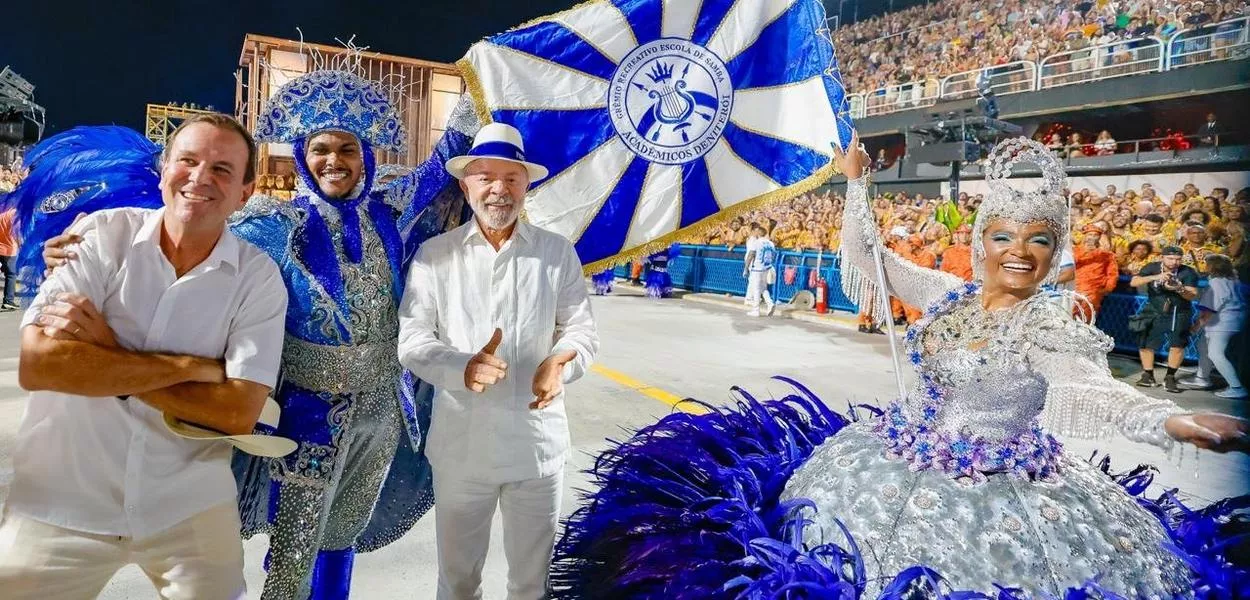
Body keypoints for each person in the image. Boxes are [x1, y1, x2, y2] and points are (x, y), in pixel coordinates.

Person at [549, 136, 1249, 597]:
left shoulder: (1047, 324)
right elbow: (874, 262)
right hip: (892, 462)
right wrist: (858, 186)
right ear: (979, 242)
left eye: (1039, 241)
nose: (1020, 252)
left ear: (1054, 252)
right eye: (1003, 235)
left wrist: (1170, 417)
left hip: (1001, 493)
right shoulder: (949, 295)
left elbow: (1087, 388)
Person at [27, 67, 477, 599]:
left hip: (382, 409)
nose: (334, 161)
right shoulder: (272, 223)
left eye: (348, 149)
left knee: (343, 534)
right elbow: (190, 218)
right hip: (309, 413)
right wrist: (81, 238)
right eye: (320, 150)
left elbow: (445, 160)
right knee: (295, 550)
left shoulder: (391, 212)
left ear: (367, 156)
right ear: (302, 158)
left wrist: (481, 79)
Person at [0, 116, 289, 599]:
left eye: (221, 169)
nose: (200, 178)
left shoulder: (256, 279)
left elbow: (237, 412)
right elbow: (41, 364)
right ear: (163, 170)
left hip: (187, 501)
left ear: (246, 192)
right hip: (63, 497)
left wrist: (106, 353)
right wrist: (190, 368)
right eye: (188, 161)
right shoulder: (99, 237)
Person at [398, 122, 599, 600]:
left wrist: (561, 363)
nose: (498, 190)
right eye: (486, 177)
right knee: (458, 581)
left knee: (531, 582)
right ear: (466, 185)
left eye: (511, 178)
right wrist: (460, 366)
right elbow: (412, 339)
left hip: (537, 448)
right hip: (461, 450)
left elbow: (581, 330)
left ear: (526, 186)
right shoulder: (435, 257)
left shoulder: (556, 254)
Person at [1130, 245, 1201, 392]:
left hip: (1178, 310)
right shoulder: (1152, 267)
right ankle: (1148, 375)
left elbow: (1192, 294)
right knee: (1145, 341)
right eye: (1170, 258)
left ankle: (1170, 377)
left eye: (1177, 259)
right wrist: (1156, 277)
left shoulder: (1187, 272)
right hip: (1154, 307)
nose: (1174, 262)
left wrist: (1179, 288)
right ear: (1162, 257)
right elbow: (1134, 282)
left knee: (1177, 344)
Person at [1181, 253, 1247, 398]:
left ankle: (1236, 387)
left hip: (1223, 323)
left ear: (1213, 266)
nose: (1204, 266)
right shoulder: (1232, 280)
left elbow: (1210, 309)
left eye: (1206, 263)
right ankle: (1202, 378)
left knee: (1215, 353)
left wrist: (1196, 326)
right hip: (1231, 320)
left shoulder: (1217, 283)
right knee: (1203, 346)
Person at [1073, 224, 1119, 318]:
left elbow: (1112, 273)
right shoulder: (1075, 250)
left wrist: (1107, 288)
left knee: (1087, 316)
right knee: (1069, 313)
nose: (1092, 237)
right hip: (1073, 286)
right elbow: (1070, 264)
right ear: (1085, 236)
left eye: (1095, 235)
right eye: (1090, 235)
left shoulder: (1107, 255)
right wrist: (1085, 252)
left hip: (1093, 289)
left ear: (1099, 237)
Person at [743, 222, 777, 317]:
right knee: (763, 287)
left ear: (759, 233)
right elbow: (773, 255)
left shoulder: (756, 242)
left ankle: (756, 310)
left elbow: (750, 255)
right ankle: (770, 303)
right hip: (766, 267)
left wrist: (746, 268)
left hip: (757, 268)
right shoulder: (770, 243)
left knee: (756, 288)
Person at [0, 208, 17, 310]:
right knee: (11, 275)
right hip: (9, 250)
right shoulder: (15, 216)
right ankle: (8, 301)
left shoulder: (2, 214)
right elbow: (18, 234)